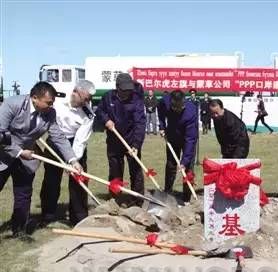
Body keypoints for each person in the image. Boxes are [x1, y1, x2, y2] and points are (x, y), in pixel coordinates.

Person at [0, 81, 83, 236]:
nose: (51, 106)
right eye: (48, 102)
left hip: (26, 158)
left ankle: (19, 230)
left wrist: (73, 160)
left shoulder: (50, 113)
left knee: (23, 194)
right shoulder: (12, 104)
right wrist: (18, 152)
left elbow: (58, 137)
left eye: (52, 103)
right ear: (34, 98)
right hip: (3, 155)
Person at [40, 80, 96, 225]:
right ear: (76, 92)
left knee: (78, 178)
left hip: (74, 143)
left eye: (89, 100)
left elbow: (80, 141)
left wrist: (73, 161)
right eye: (85, 99)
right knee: (51, 179)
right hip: (54, 139)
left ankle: (78, 217)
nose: (87, 102)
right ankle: (48, 212)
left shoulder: (88, 114)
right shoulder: (57, 96)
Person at [96, 73, 146, 205]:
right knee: (115, 170)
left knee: (135, 170)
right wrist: (106, 120)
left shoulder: (136, 100)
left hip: (131, 141)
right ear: (117, 87)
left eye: (129, 90)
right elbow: (100, 111)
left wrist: (136, 145)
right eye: (124, 90)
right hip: (114, 140)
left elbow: (140, 123)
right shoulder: (108, 97)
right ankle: (115, 198)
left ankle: (137, 200)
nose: (127, 93)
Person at [157, 89, 198, 203]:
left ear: (184, 103)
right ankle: (168, 192)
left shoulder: (191, 112)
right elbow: (160, 110)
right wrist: (162, 126)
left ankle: (186, 198)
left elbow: (190, 139)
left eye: (180, 108)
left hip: (187, 139)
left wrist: (184, 162)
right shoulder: (165, 102)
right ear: (171, 103)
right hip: (172, 137)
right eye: (175, 108)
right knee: (170, 165)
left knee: (188, 167)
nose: (178, 110)